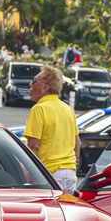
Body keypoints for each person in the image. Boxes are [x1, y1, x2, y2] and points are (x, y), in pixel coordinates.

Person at [23, 65, 80, 195]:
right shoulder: (68, 109)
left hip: (49, 175)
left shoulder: (39, 109)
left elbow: (33, 147)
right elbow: (77, 143)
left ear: (45, 88)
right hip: (70, 174)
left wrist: (31, 178)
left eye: (34, 81)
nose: (30, 84)